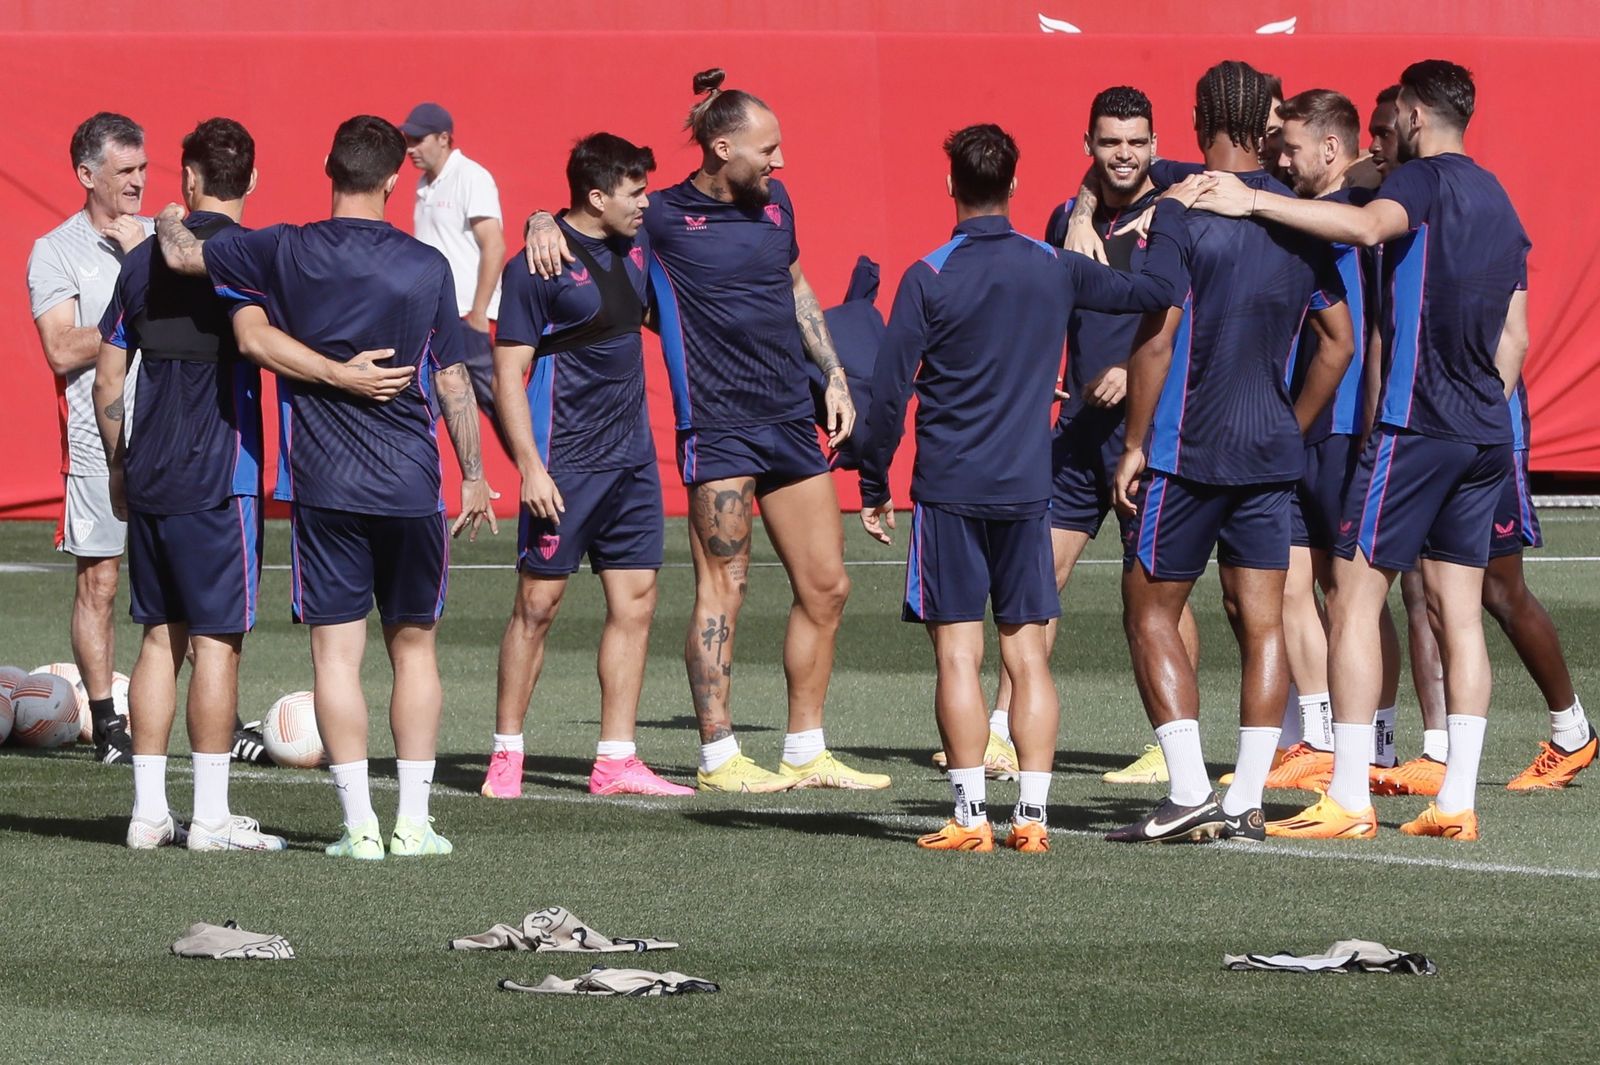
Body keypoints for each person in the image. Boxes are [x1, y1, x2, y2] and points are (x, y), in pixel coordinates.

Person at [525, 69, 886, 793]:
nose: (780, 162)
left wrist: (835, 374)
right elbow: (586, 224)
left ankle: (806, 748)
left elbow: (795, 284)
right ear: (722, 147)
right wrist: (539, 216)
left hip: (789, 414)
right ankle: (720, 757)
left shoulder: (775, 202)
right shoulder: (658, 218)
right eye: (767, 149)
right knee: (726, 587)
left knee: (828, 585)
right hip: (718, 427)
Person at [1196, 60, 1529, 841]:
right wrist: (1482, 406)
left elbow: (1369, 223)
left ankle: (1348, 792)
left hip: (1416, 424)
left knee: (1351, 597)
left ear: (1413, 113)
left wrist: (1252, 200)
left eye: (1391, 122)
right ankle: (1456, 799)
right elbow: (1515, 333)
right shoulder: (1499, 197)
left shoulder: (1421, 185)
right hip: (1486, 429)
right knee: (1460, 614)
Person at [156, 114, 497, 859]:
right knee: (416, 651)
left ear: (326, 167)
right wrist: (473, 474)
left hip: (325, 486)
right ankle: (414, 822)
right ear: (393, 178)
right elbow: (451, 377)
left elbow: (183, 256)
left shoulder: (281, 248)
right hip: (411, 484)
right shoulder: (427, 265)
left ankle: (359, 827)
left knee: (335, 658)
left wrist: (168, 207)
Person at [859, 123, 1186, 853]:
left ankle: (971, 817)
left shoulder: (928, 275)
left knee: (956, 656)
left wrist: (874, 479)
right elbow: (1160, 288)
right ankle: (1032, 819)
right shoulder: (1057, 265)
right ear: (1013, 183)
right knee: (1027, 654)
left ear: (950, 185)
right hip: (1027, 488)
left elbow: (887, 397)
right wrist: (1166, 219)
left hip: (947, 490)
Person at [95, 118, 419, 851]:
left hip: (149, 468)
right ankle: (209, 816)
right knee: (217, 643)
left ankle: (148, 812)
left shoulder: (142, 262)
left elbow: (109, 373)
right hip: (223, 471)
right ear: (257, 182)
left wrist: (120, 460)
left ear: (186, 176)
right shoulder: (256, 262)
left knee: (156, 638)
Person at [1105, 60, 1354, 845]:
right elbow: (1338, 344)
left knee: (1149, 608)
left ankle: (1186, 790)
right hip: (1268, 452)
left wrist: (1137, 441)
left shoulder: (1181, 214)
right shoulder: (1294, 215)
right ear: (1267, 123)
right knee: (1264, 622)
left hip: (1187, 448)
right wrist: (1292, 422)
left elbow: (1157, 337)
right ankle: (1245, 796)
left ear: (1197, 115)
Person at [482, 132, 692, 800]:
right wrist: (530, 468)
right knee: (537, 605)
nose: (646, 203)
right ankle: (506, 754)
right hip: (565, 466)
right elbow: (508, 375)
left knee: (635, 603)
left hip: (632, 465)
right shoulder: (534, 267)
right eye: (635, 192)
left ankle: (615, 759)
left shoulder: (638, 243)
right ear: (597, 195)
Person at [1260, 89, 1408, 793]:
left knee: (1353, 594)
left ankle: (1377, 738)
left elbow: (1357, 334)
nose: (1280, 158)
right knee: (1287, 583)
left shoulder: (1367, 203)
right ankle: (1318, 733)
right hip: (1299, 420)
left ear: (1329, 147)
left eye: (1291, 146)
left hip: (1350, 428)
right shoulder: (1309, 205)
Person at [26, 112, 152, 764]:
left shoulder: (163, 235)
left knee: (186, 584)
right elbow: (59, 346)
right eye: (125, 170)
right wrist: (135, 308)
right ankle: (107, 723)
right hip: (94, 439)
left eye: (143, 168)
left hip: (171, 435)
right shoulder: (55, 250)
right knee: (99, 581)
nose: (138, 182)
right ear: (86, 174)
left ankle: (213, 713)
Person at [402, 102, 506, 429]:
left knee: (505, 406)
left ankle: (545, 474)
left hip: (467, 318)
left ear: (444, 138)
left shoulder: (470, 176)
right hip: (435, 318)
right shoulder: (424, 185)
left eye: (418, 140)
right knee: (423, 409)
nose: (410, 149)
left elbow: (494, 244)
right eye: (407, 140)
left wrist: (478, 314)